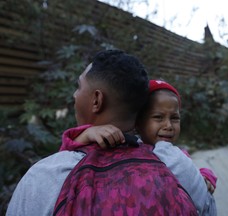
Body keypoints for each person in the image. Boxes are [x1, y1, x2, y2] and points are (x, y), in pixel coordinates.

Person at [6, 50, 198, 215]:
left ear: (97, 100)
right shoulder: (181, 168)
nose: (74, 95)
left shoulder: (44, 178)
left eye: (79, 86)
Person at [60, 80, 217, 215]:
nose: (168, 126)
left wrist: (205, 176)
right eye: (158, 117)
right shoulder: (125, 146)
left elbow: (192, 173)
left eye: (175, 118)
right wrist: (86, 134)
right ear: (138, 122)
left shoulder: (176, 155)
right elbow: (67, 153)